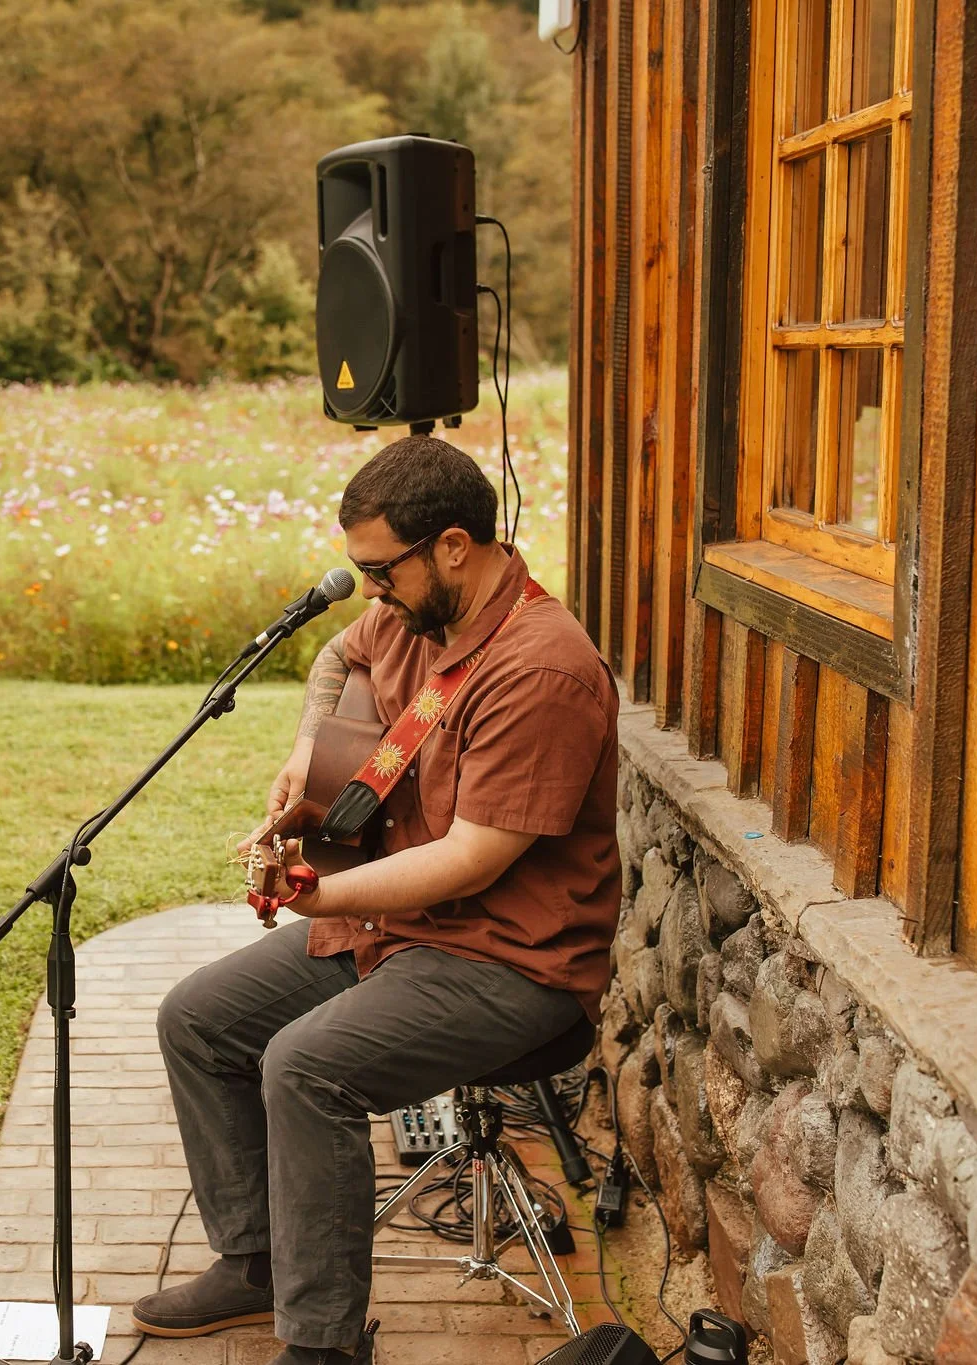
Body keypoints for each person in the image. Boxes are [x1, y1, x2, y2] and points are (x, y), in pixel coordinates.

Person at [133, 436, 620, 1365]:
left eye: (377, 569)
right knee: (197, 1018)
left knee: (305, 1067)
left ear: (451, 546)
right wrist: (307, 751)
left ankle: (323, 1345)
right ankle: (257, 1262)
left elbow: (471, 861)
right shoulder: (411, 614)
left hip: (509, 958)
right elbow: (334, 658)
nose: (367, 590)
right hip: (400, 930)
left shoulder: (541, 668)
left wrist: (319, 894)